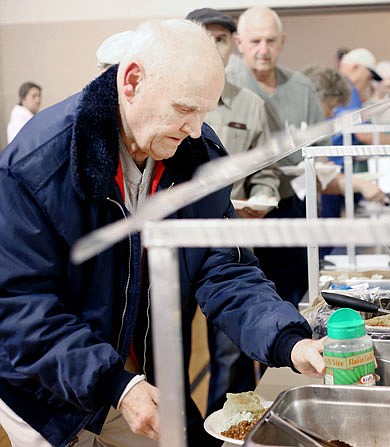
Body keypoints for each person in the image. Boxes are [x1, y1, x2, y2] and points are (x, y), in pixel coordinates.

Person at [0, 19, 325, 447]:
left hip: (136, 376)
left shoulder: (193, 156)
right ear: (132, 81)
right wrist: (118, 385)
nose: (194, 129)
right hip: (48, 393)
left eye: (204, 112)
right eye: (185, 109)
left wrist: (290, 342)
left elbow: (224, 270)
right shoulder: (39, 165)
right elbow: (22, 306)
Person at [185, 7, 280, 418]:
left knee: (231, 352)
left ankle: (230, 430)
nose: (215, 46)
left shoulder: (251, 105)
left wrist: (261, 198)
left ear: (232, 45)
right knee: (166, 355)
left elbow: (266, 171)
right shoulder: (176, 100)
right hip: (171, 246)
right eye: (206, 37)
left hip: (228, 241)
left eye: (222, 38)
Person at [227, 5, 324, 306]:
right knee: (242, 301)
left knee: (291, 297)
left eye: (271, 41)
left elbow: (319, 146)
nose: (263, 50)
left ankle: (288, 352)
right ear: (239, 42)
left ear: (282, 41)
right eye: (255, 41)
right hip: (237, 212)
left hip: (289, 205)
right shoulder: (226, 86)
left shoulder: (300, 87)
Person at [302, 65, 386, 207]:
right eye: (330, 107)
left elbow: (321, 179)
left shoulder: (317, 131)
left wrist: (361, 185)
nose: (330, 114)